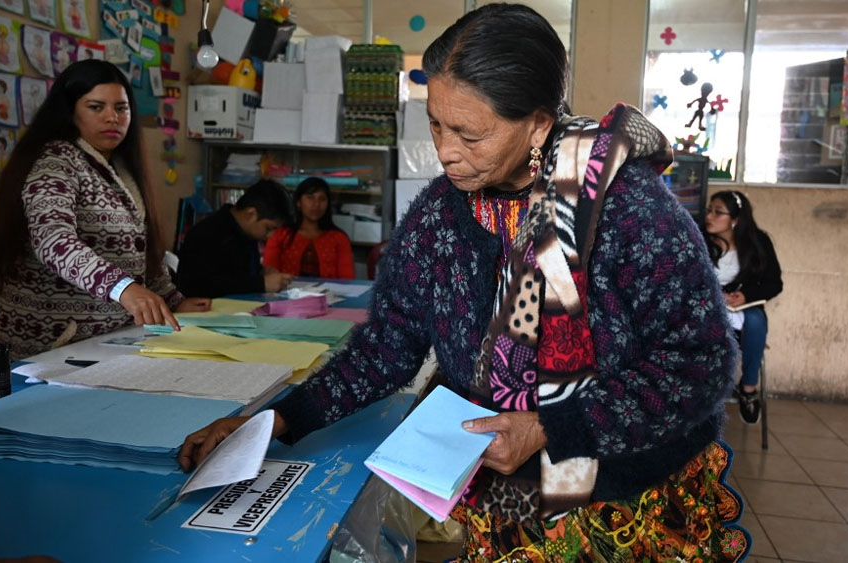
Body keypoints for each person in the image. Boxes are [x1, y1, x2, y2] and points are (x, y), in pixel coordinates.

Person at [180, 5, 749, 561]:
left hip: (624, 504)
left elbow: (700, 363)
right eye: (436, 124)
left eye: (470, 135)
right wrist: (277, 420)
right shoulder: (439, 216)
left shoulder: (631, 211)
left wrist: (550, 426)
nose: (446, 152)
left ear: (538, 124)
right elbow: (387, 346)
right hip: (506, 503)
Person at [0, 60, 209, 360]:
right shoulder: (55, 162)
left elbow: (139, 257)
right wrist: (122, 288)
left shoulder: (121, 169)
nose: (112, 118)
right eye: (96, 107)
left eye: (121, 108)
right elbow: (53, 241)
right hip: (51, 348)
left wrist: (172, 300)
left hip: (111, 341)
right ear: (70, 111)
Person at [703, 190, 783, 424]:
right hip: (707, 311)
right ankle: (703, 392)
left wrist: (746, 296)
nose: (709, 216)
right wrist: (712, 295)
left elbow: (774, 283)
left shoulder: (758, 243)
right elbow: (683, 278)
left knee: (756, 319)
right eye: (709, 210)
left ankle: (748, 389)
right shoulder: (698, 240)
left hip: (739, 312)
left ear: (735, 220)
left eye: (718, 212)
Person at [177, 179, 294, 298]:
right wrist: (261, 283)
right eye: (269, 228)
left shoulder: (247, 233)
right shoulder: (208, 234)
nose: (271, 235)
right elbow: (204, 286)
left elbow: (241, 274)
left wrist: (262, 272)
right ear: (251, 214)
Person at [262, 177, 355, 279]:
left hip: (330, 290)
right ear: (298, 202)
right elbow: (270, 276)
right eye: (310, 198)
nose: (316, 204)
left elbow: (347, 280)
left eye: (322, 199)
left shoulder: (339, 238)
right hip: (287, 288)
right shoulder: (280, 235)